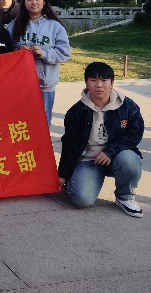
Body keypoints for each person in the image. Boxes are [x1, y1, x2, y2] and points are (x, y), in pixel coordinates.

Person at [58, 62, 144, 218]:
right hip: (88, 160)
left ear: (112, 83)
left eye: (104, 80)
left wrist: (110, 152)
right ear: (86, 83)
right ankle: (77, 179)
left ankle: (124, 197)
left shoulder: (127, 106)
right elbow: (70, 144)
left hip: (117, 156)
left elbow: (135, 134)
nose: (99, 85)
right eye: (93, 80)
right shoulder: (76, 111)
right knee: (81, 199)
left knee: (130, 160)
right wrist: (63, 174)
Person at [7, 0, 70, 127]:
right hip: (20, 85)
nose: (33, 2)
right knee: (21, 125)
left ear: (44, 1)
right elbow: (6, 51)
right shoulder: (14, 25)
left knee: (42, 125)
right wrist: (17, 52)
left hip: (44, 86)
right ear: (24, 3)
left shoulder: (55, 26)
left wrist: (44, 53)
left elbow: (64, 53)